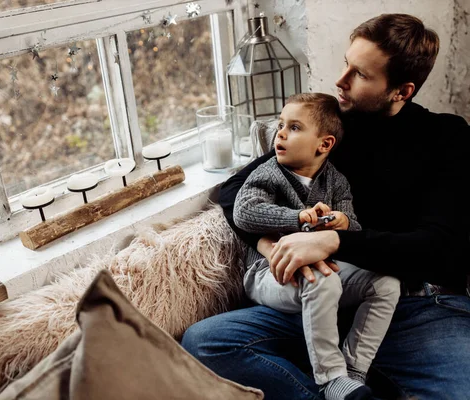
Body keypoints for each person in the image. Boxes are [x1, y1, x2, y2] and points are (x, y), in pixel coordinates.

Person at [181, 13, 470, 400]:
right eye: (346, 64)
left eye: (361, 75)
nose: (341, 81)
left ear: (402, 91)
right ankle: (343, 389)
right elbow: (236, 188)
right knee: (205, 342)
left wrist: (333, 242)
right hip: (329, 297)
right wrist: (271, 246)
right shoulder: (333, 131)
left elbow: (437, 246)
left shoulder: (447, 137)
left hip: (419, 306)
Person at [233, 92, 400, 400]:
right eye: (281, 124)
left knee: (386, 283)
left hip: (325, 270)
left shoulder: (336, 182)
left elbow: (354, 229)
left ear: (324, 144)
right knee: (322, 282)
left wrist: (342, 224)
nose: (280, 133)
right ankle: (329, 378)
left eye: (294, 127)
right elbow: (244, 212)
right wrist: (298, 218)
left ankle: (353, 370)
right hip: (270, 272)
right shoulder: (269, 172)